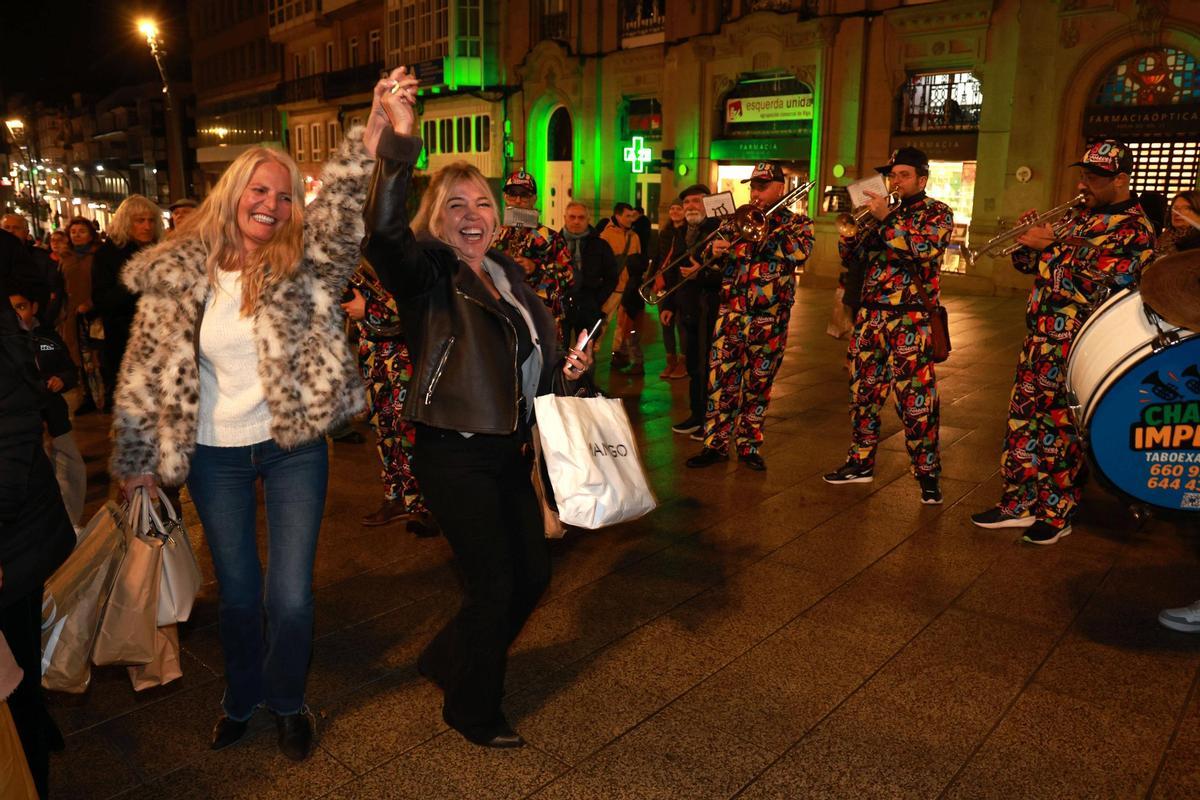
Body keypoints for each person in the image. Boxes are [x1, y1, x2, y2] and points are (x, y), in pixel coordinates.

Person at [109, 74, 390, 760]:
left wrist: (376, 129)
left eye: (285, 194)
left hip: (292, 447)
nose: (272, 203)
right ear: (233, 192)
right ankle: (241, 696)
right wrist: (138, 463)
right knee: (237, 595)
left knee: (290, 597)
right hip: (214, 454)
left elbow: (348, 207)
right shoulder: (182, 270)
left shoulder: (305, 263)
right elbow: (146, 369)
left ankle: (289, 699)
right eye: (260, 189)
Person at [361, 67, 593, 749]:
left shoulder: (509, 275)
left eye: (482, 203)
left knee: (533, 575)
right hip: (453, 452)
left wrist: (567, 372)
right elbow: (381, 235)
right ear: (437, 217)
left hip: (508, 449)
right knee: (494, 587)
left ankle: (444, 657)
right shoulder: (430, 274)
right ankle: (471, 708)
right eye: (456, 205)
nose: (472, 215)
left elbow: (527, 366)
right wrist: (400, 141)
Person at [970, 140, 1155, 544]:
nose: (1083, 183)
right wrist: (1026, 239)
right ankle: (1018, 502)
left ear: (1121, 180)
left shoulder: (1134, 228)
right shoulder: (1077, 216)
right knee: (1022, 421)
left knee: (1058, 431)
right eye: (1083, 174)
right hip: (1039, 338)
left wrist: (1050, 248)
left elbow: (1097, 280)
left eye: (1094, 177)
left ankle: (1057, 512)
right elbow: (1030, 265)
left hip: (1077, 343)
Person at [823, 147, 954, 504]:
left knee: (916, 401)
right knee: (862, 393)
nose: (895, 181)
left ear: (922, 180)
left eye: (904, 175)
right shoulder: (880, 214)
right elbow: (851, 258)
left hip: (911, 318)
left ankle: (927, 474)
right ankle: (860, 462)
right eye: (892, 175)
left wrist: (885, 219)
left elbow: (922, 248)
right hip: (871, 315)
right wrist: (850, 232)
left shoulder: (936, 212)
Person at [0, 229, 75, 800]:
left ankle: (30, 774)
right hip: (19, 523)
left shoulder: (20, 333)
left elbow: (13, 431)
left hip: (12, 528)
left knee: (14, 671)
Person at [686, 163, 814, 471]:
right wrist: (712, 251)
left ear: (780, 188)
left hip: (769, 319)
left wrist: (760, 234)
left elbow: (800, 252)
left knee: (759, 385)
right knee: (721, 383)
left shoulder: (798, 223)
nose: (755, 192)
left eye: (762, 186)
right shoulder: (735, 220)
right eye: (753, 186)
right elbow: (706, 256)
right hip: (731, 314)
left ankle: (749, 445)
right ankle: (714, 445)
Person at [340, 263, 438, 536]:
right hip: (373, 358)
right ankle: (395, 497)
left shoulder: (400, 256)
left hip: (404, 360)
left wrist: (367, 309)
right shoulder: (356, 257)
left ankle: (420, 505)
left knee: (407, 432)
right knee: (384, 431)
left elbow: (413, 310)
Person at [8, 286, 85, 529]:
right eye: (11, 309)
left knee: (71, 468)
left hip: (55, 417)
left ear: (34, 307)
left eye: (21, 307)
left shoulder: (47, 338)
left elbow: (70, 370)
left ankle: (71, 521)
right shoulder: (8, 344)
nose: (17, 314)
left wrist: (62, 379)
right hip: (25, 423)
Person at [92, 195, 164, 409]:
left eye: (151, 220)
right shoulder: (108, 254)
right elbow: (102, 300)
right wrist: (135, 281)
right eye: (139, 221)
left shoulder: (162, 249)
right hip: (125, 339)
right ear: (126, 222)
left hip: (162, 339)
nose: (147, 226)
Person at [490, 170, 575, 346]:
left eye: (525, 195)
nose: (518, 201)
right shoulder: (493, 235)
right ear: (505, 197)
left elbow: (569, 276)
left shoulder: (550, 238)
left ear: (534, 198)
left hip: (541, 319)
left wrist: (536, 269)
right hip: (504, 319)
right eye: (513, 195)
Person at [667, 184, 722, 435]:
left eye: (697, 201)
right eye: (687, 201)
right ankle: (696, 414)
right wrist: (668, 304)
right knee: (692, 364)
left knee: (706, 366)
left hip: (708, 307)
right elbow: (673, 270)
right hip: (687, 307)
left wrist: (700, 275)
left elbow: (726, 274)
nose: (691, 206)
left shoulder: (719, 230)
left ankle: (709, 419)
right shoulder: (682, 231)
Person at [559, 201, 618, 349]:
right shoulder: (555, 243)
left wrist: (597, 299)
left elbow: (612, 276)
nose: (576, 221)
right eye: (572, 217)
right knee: (558, 350)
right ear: (565, 218)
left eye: (581, 217)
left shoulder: (600, 245)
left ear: (588, 219)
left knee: (586, 353)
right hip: (560, 305)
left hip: (589, 305)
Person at [57, 218, 101, 413]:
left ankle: (103, 395)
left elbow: (101, 283)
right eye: (73, 231)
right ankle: (86, 396)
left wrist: (90, 304)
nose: (76, 234)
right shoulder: (65, 258)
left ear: (91, 234)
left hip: (93, 314)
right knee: (78, 358)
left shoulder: (97, 256)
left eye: (81, 231)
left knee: (96, 356)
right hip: (71, 316)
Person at [600, 202, 644, 372]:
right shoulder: (606, 235)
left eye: (632, 216)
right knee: (603, 323)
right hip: (612, 288)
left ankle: (618, 354)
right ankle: (592, 352)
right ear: (617, 216)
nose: (631, 219)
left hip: (629, 288)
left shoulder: (634, 236)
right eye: (627, 216)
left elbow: (638, 260)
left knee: (624, 325)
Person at [1, 214, 62, 329]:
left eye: (16, 228)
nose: (11, 232)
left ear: (26, 232)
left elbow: (52, 293)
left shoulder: (42, 258)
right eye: (6, 228)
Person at [654, 201, 688, 380]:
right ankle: (671, 361)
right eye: (672, 208)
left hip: (680, 284)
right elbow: (658, 257)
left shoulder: (688, 233)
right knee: (666, 324)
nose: (674, 211)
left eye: (678, 208)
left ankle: (683, 362)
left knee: (681, 323)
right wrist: (651, 279)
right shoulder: (665, 233)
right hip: (664, 284)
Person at [1156, 190, 1200, 258]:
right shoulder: (1165, 237)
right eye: (1175, 208)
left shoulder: (1196, 243)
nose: (1177, 213)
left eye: (1186, 208)